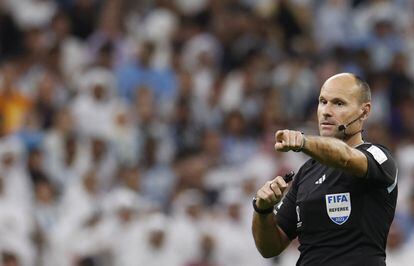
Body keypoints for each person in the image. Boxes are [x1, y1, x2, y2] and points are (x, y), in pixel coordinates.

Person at [252, 73, 398, 266]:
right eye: (323, 102)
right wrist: (263, 210)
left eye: (338, 103)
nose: (326, 111)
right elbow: (270, 248)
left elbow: (345, 157)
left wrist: (304, 142)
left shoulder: (379, 157)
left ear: (364, 112)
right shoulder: (307, 171)